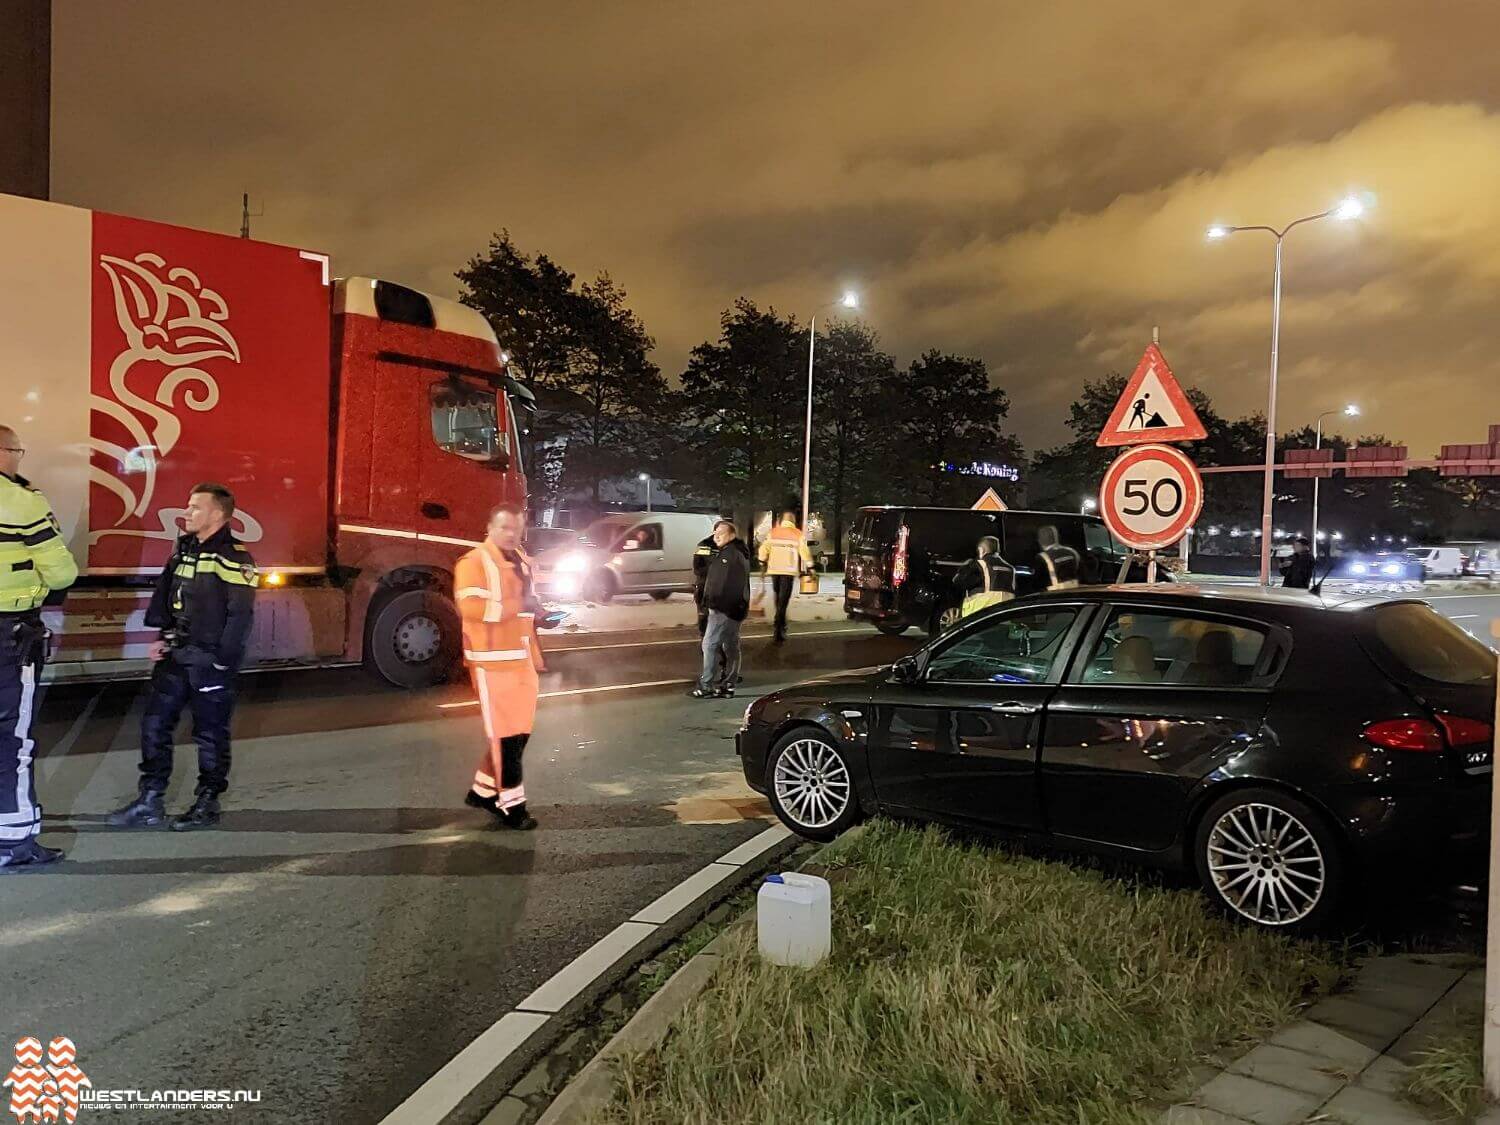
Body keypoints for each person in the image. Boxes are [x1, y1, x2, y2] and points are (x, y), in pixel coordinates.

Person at [107, 483, 257, 832]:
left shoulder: (235, 557)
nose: (186, 513)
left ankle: (207, 802)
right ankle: (150, 800)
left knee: (209, 735)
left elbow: (240, 617)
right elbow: (171, 597)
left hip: (209, 663)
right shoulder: (185, 549)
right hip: (176, 657)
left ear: (217, 514)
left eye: (195, 508)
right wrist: (162, 638)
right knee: (154, 727)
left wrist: (222, 663)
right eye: (188, 506)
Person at [0, 426, 78, 870]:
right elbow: (62, 572)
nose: (19, 460)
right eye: (16, 451)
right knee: (13, 738)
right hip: (10, 631)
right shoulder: (21, 501)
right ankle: (13, 843)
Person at [455, 504, 546, 830]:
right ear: (489, 527)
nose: (512, 534)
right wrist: (517, 604)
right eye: (505, 527)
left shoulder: (519, 560)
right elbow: (471, 607)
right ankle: (512, 807)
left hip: (521, 660)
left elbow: (525, 607)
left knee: (519, 735)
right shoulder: (474, 561)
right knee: (506, 739)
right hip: (491, 662)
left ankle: (482, 790)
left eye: (517, 528)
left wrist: (538, 613)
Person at [691, 521, 750, 699]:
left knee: (709, 644)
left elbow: (721, 584)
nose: (716, 535)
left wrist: (711, 603)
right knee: (731, 645)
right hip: (735, 607)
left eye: (721, 533)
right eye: (715, 532)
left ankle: (706, 684)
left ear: (731, 535)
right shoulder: (735, 552)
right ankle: (728, 685)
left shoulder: (729, 555)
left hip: (723, 608)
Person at [758, 509, 813, 644]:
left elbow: (764, 549)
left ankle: (780, 622)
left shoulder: (773, 532)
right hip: (788, 572)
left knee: (778, 597)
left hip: (774, 571)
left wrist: (762, 561)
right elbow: (804, 552)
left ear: (782, 520)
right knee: (784, 600)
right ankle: (779, 625)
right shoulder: (797, 534)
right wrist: (810, 566)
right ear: (793, 521)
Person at [953, 536, 1015, 619]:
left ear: (981, 549)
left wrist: (964, 567)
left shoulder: (978, 565)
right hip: (1004, 615)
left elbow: (958, 581)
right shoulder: (1010, 568)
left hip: (980, 616)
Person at [1038, 525, 1081, 590]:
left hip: (1055, 596)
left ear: (1040, 541)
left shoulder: (1041, 557)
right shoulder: (1072, 551)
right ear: (1057, 537)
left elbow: (1039, 582)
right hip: (1077, 593)